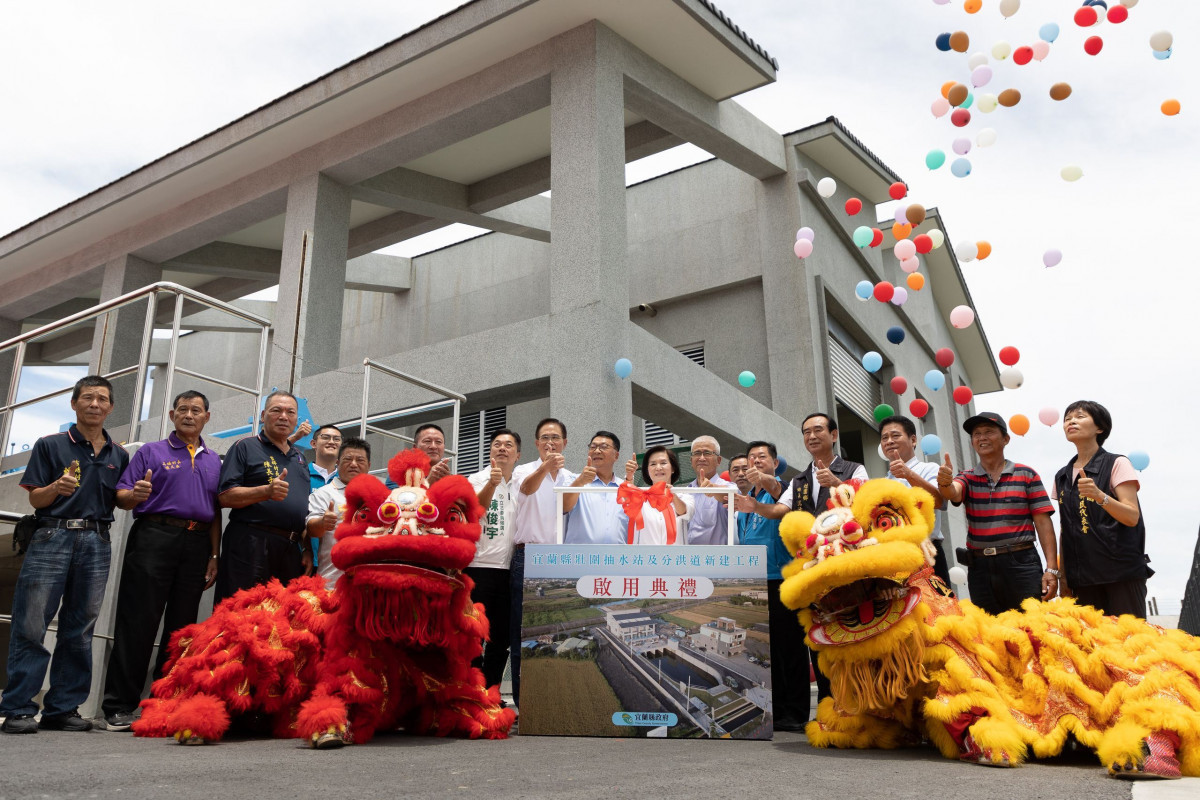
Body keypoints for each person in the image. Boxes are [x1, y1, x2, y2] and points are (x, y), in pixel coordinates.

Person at [1, 375, 129, 734]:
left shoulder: (118, 453)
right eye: (87, 398)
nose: (95, 404)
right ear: (74, 404)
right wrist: (55, 488)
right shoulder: (50, 444)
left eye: (102, 399)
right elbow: (35, 499)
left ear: (111, 408)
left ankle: (62, 707)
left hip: (97, 542)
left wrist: (136, 495)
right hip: (52, 536)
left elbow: (119, 500)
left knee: (81, 628)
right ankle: (19, 708)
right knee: (31, 624)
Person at [100, 390, 223, 732]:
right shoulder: (151, 452)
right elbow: (123, 497)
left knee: (182, 628)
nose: (188, 414)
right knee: (138, 621)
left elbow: (215, 512)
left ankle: (165, 702)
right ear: (172, 415)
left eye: (196, 410)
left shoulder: (216, 460)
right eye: (182, 409)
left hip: (198, 543)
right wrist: (133, 495)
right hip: (154, 536)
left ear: (206, 418)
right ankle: (119, 706)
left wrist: (214, 554)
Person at [765, 413, 866, 705]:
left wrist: (836, 482)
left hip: (844, 568)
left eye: (818, 430)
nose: (812, 436)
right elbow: (778, 510)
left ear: (834, 435)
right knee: (819, 636)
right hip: (812, 570)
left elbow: (864, 505)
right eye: (806, 431)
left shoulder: (854, 469)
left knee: (849, 633)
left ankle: (856, 706)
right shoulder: (799, 480)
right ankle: (827, 707)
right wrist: (753, 504)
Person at [938, 411, 1059, 615]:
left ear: (1006, 439)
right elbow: (953, 493)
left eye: (988, 432)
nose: (982, 438)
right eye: (976, 434)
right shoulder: (966, 477)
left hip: (1021, 562)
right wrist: (945, 482)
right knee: (989, 631)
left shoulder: (1026, 474)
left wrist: (1052, 569)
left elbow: (1043, 523)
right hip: (980, 567)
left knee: (1033, 626)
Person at [730, 441, 807, 731]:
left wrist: (765, 487)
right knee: (770, 649)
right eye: (751, 458)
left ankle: (796, 712)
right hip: (757, 582)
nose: (755, 462)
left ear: (776, 462)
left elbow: (785, 509)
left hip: (783, 579)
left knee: (791, 649)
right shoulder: (746, 499)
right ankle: (777, 710)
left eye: (762, 457)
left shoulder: (787, 490)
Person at [1053, 400, 1150, 618]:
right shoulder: (1061, 475)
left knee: (1130, 642)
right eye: (1067, 418)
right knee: (1091, 646)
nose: (1071, 421)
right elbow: (1064, 528)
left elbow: (1132, 516)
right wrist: (1064, 576)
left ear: (1100, 427)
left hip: (1121, 573)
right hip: (1082, 577)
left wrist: (1099, 496)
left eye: (1079, 416)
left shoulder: (1118, 463)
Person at [214, 390, 312, 603]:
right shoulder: (246, 447)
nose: (283, 416)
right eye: (276, 410)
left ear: (296, 419)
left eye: (290, 412)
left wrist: (306, 548)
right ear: (262, 415)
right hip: (250, 543)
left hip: (289, 548)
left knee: (281, 618)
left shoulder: (300, 459)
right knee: (240, 612)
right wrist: (265, 491)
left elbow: (303, 510)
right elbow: (225, 497)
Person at [508, 418, 576, 708]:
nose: (551, 442)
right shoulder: (524, 470)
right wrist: (544, 468)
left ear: (565, 443)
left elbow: (568, 507)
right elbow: (526, 489)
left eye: (556, 437)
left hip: (558, 560)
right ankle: (525, 704)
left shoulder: (569, 477)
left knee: (557, 629)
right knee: (521, 631)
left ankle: (553, 700)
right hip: (528, 554)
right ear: (537, 443)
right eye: (545, 437)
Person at [465, 429, 521, 692]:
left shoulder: (522, 483)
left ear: (517, 454)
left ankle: (491, 691)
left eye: (508, 445)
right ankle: (474, 692)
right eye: (497, 444)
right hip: (479, 568)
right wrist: (491, 483)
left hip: (508, 570)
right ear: (490, 451)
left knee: (501, 638)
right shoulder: (476, 479)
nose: (502, 448)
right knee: (474, 635)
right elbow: (473, 510)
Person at [879, 415, 951, 586]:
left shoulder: (929, 468)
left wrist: (909, 474)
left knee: (938, 609)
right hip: (894, 556)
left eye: (895, 436)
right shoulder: (883, 482)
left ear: (913, 440)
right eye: (884, 438)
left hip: (927, 552)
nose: (889, 441)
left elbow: (940, 502)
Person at [306, 437, 371, 591]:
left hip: (370, 586)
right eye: (347, 459)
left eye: (360, 460)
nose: (353, 464)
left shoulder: (380, 496)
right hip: (332, 584)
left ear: (369, 465)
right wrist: (323, 523)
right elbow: (311, 529)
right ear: (337, 462)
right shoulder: (324, 494)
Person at [616, 446, 692, 545]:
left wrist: (672, 496)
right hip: (644, 559)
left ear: (673, 468)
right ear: (647, 470)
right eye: (653, 464)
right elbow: (626, 495)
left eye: (663, 463)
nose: (658, 468)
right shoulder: (641, 497)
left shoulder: (685, 496)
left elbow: (684, 512)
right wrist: (629, 476)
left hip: (674, 559)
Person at [563, 431, 628, 544]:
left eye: (604, 447)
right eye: (593, 447)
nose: (597, 451)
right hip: (580, 558)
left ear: (616, 455)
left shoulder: (625, 487)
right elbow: (563, 507)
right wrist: (580, 482)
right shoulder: (574, 480)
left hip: (616, 557)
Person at [304, 423, 343, 573]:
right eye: (326, 437)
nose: (331, 442)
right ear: (313, 443)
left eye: (336, 439)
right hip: (304, 558)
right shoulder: (302, 474)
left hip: (335, 565)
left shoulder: (347, 481)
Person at [684, 436, 736, 545]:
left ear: (719, 460)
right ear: (691, 460)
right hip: (688, 558)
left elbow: (732, 496)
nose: (701, 458)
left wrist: (713, 489)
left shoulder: (729, 487)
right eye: (697, 453)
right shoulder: (685, 492)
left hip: (717, 559)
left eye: (707, 453)